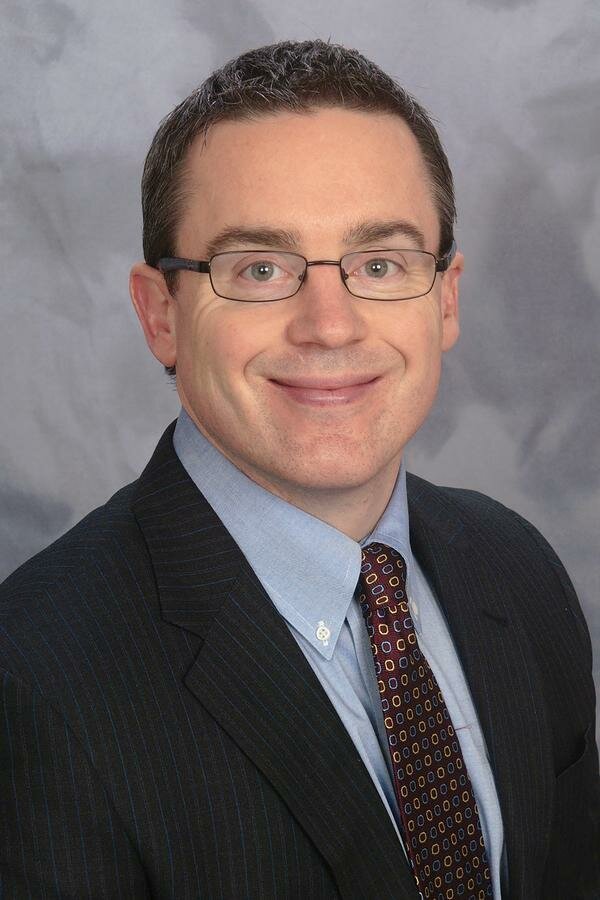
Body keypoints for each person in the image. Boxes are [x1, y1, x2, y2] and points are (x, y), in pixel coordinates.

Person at [0, 40, 597, 900]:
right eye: (260, 269)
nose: (330, 325)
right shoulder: (32, 683)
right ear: (161, 313)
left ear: (446, 298)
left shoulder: (519, 568)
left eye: (381, 264)